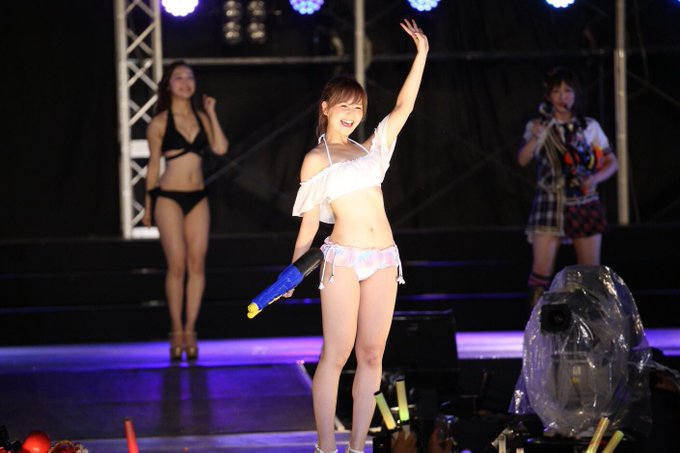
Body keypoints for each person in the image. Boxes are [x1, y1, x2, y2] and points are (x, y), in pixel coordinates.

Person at [284, 18, 428, 453]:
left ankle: (357, 446)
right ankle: (326, 446)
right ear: (326, 107)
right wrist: (293, 272)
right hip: (342, 259)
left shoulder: (371, 149)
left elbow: (404, 107)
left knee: (371, 355)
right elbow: (310, 224)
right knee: (336, 353)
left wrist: (421, 54)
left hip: (384, 258)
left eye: (359, 108)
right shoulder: (317, 159)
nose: (352, 114)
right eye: (344, 106)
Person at [143, 60, 229, 361]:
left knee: (197, 263)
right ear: (168, 85)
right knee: (177, 264)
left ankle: (190, 329)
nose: (185, 82)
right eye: (178, 77)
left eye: (189, 77)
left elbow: (220, 148)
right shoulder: (159, 123)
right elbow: (153, 166)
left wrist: (212, 112)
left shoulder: (202, 117)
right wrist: (148, 205)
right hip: (168, 197)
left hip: (197, 197)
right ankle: (176, 329)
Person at [517, 67, 618, 307]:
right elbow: (522, 159)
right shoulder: (539, 126)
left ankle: (590, 322)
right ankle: (538, 322)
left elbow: (612, 161)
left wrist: (594, 179)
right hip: (550, 201)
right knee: (541, 272)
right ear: (548, 96)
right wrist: (536, 136)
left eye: (568, 91)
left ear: (576, 95)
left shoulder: (588, 126)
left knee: (590, 272)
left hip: (583, 200)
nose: (563, 96)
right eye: (557, 91)